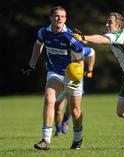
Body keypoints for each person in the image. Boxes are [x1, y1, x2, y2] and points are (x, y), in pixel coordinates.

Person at [72, 12, 124, 150]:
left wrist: (83, 37)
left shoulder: (122, 34)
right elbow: (96, 39)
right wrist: (80, 39)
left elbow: (101, 39)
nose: (106, 24)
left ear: (119, 25)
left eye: (109, 22)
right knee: (121, 113)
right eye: (107, 21)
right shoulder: (112, 35)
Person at [21, 6, 84, 150]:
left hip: (72, 75)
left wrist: (77, 75)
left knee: (75, 111)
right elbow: (38, 46)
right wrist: (31, 65)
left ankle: (78, 139)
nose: (59, 19)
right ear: (50, 18)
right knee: (49, 99)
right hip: (54, 73)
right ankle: (46, 140)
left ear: (66, 19)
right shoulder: (43, 32)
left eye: (62, 16)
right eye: (56, 16)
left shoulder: (71, 37)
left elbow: (80, 59)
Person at [54, 47, 96, 136]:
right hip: (60, 79)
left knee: (72, 107)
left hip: (74, 82)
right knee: (57, 108)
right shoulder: (59, 49)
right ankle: (58, 130)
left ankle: (65, 122)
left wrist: (90, 70)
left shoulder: (79, 49)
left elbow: (92, 52)